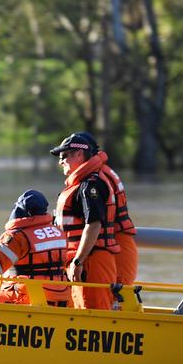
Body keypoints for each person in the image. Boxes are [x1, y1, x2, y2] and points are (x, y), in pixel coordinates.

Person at [49, 132, 137, 309]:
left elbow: (94, 223)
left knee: (95, 312)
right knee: (87, 310)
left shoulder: (91, 184)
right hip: (88, 256)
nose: (61, 161)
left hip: (92, 258)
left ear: (79, 154)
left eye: (64, 156)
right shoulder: (91, 179)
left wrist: (78, 261)